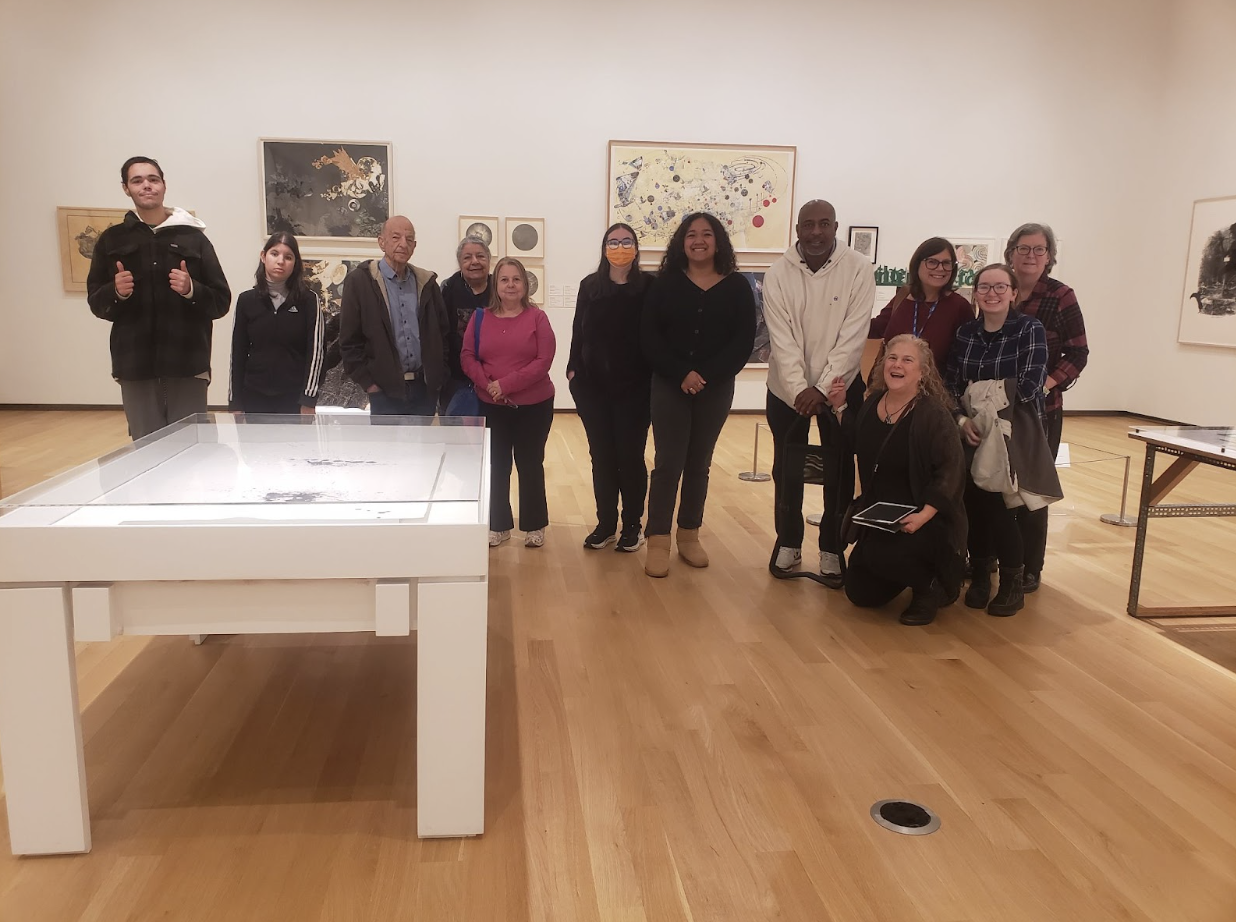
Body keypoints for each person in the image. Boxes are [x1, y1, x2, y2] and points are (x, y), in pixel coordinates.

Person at [763, 199, 875, 587]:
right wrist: (801, 390)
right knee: (786, 469)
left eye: (824, 224)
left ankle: (832, 546)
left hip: (840, 389)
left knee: (839, 469)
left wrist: (823, 389)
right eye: (808, 224)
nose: (815, 232)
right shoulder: (778, 273)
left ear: (835, 227)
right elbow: (782, 339)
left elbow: (853, 337)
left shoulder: (858, 269)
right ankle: (788, 541)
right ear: (797, 229)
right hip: (786, 391)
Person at [641, 213, 756, 578]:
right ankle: (658, 539)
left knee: (699, 464)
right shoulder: (665, 284)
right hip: (669, 384)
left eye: (707, 234)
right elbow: (649, 336)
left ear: (718, 242)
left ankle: (689, 534)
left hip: (715, 388)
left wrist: (705, 376)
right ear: (682, 242)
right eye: (691, 235)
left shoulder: (737, 287)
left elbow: (743, 342)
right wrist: (682, 373)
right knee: (668, 463)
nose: (699, 240)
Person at [86, 156, 231, 440]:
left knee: (192, 446)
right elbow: (96, 303)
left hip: (188, 362)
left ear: (164, 185)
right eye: (137, 180)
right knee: (146, 447)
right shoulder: (111, 240)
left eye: (153, 179)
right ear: (126, 188)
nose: (146, 185)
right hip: (134, 364)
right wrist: (116, 292)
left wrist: (191, 289)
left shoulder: (195, 239)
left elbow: (221, 301)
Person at [945, 264, 1060, 617]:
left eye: (999, 287)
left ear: (1013, 292)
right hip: (971, 430)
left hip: (1011, 430)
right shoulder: (966, 333)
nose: (991, 293)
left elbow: (1029, 384)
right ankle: (981, 576)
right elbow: (951, 383)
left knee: (1000, 506)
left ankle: (1012, 582)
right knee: (974, 503)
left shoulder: (1029, 329)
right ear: (975, 293)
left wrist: (977, 397)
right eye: (984, 287)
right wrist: (962, 418)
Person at [842, 334, 967, 625]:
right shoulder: (873, 403)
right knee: (860, 593)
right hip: (881, 517)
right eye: (892, 358)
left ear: (922, 372)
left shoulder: (932, 414)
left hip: (924, 519)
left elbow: (951, 471)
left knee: (885, 556)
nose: (897, 365)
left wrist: (923, 515)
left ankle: (932, 585)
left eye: (907, 360)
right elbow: (856, 442)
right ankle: (903, 571)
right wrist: (839, 407)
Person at [1005, 223, 1089, 593]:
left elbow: (1078, 352)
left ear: (1049, 256)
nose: (1031, 256)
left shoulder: (1061, 296)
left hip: (1041, 408)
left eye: (1039, 249)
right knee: (996, 482)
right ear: (1011, 252)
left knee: (1033, 488)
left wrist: (1047, 383)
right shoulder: (1000, 288)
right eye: (1024, 248)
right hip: (998, 406)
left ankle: (1029, 566)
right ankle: (998, 557)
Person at [567, 223, 652, 553]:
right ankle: (606, 524)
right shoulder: (590, 286)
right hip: (593, 389)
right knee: (601, 458)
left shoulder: (649, 287)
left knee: (630, 458)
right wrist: (573, 370)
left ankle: (632, 526)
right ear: (604, 248)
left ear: (636, 247)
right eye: (613, 242)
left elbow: (657, 334)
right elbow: (579, 331)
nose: (620, 247)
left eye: (626, 241)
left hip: (635, 389)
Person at [460, 257, 556, 548]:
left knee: (530, 464)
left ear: (525, 285)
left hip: (534, 406)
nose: (511, 285)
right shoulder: (480, 318)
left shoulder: (537, 318)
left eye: (516, 279)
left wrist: (505, 385)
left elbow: (543, 360)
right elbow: (467, 356)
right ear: (496, 285)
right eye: (504, 279)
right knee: (497, 465)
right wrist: (488, 385)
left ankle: (534, 525)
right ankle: (498, 525)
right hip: (491, 405)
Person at [339, 215, 450, 416]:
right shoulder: (360, 282)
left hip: (424, 391)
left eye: (409, 239)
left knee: (422, 438)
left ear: (414, 246)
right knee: (386, 439)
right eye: (396, 237)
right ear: (381, 242)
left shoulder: (427, 284)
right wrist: (370, 385)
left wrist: (438, 378)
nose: (403, 244)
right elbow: (349, 342)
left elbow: (443, 336)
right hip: (383, 392)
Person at [228, 232, 325, 414]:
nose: (281, 261)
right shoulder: (246, 300)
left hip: (294, 399)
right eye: (274, 254)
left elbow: (316, 354)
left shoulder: (309, 301)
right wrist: (235, 402)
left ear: (295, 263)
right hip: (253, 396)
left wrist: (308, 399)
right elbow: (237, 353)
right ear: (263, 257)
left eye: (288, 257)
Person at [868, 237, 975, 375]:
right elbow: (876, 327)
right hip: (891, 383)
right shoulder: (903, 297)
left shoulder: (959, 307)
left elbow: (966, 356)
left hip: (933, 387)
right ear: (917, 264)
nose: (940, 268)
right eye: (932, 262)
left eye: (946, 263)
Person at [439, 235, 493, 415]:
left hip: (494, 379)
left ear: (489, 260)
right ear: (459, 263)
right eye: (467, 257)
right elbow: (439, 335)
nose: (474, 262)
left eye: (480, 256)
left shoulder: (499, 289)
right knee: (456, 430)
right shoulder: (447, 289)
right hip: (455, 379)